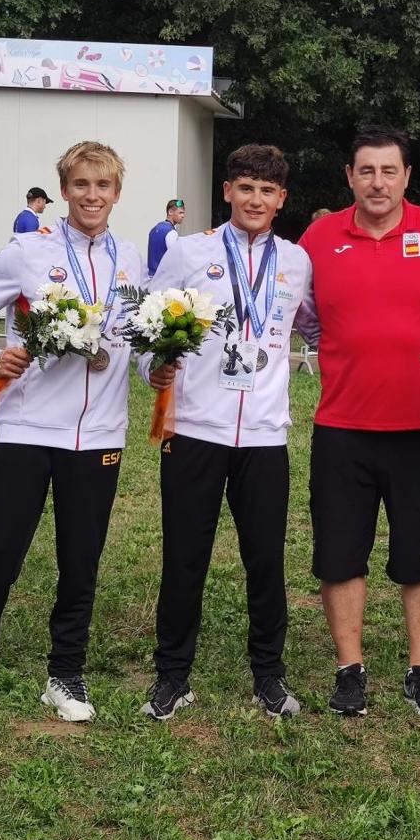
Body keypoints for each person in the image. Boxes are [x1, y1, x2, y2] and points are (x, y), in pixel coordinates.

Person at [0, 141, 143, 723]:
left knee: (81, 558)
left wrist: (159, 366)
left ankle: (66, 676)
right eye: (80, 185)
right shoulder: (28, 250)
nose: (91, 195)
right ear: (64, 191)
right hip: (26, 425)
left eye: (102, 186)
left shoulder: (133, 264)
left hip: (99, 434)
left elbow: (138, 347)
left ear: (116, 193)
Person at [295, 126, 420, 717]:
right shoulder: (319, 238)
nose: (378, 182)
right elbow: (295, 313)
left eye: (389, 171)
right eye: (366, 171)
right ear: (349, 177)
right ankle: (350, 670)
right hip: (343, 426)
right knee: (341, 553)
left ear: (406, 177)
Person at [139, 145, 312, 720]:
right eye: (245, 188)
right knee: (184, 557)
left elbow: (314, 324)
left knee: (265, 561)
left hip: (264, 435)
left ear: (281, 200)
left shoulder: (297, 262)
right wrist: (151, 368)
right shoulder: (187, 251)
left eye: (267, 191)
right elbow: (146, 328)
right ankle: (172, 675)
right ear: (227, 192)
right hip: (195, 428)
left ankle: (269, 675)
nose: (255, 199)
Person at [146, 198, 185, 277]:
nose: (183, 216)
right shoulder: (171, 232)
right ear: (170, 212)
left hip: (151, 277)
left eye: (183, 213)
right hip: (164, 279)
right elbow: (175, 258)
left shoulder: (154, 229)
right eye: (180, 213)